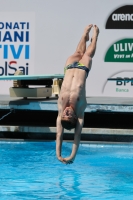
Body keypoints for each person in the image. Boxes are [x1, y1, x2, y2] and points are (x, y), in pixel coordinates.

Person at [56, 24, 99, 164]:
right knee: (87, 54)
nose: (66, 112)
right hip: (82, 69)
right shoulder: (80, 111)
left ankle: (83, 35)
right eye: (69, 115)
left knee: (78, 51)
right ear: (75, 117)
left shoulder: (61, 108)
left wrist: (58, 154)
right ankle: (95, 37)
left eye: (64, 115)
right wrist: (72, 156)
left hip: (69, 67)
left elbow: (59, 134)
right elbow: (77, 135)